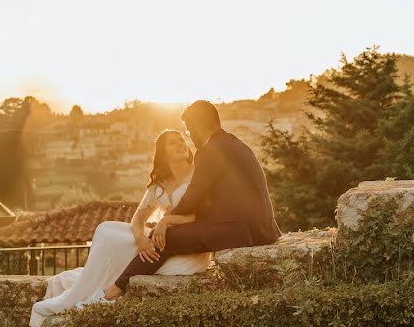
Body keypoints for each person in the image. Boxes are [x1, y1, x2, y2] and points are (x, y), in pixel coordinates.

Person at [29, 129, 212, 327]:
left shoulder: (198, 174)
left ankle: (106, 293)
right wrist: (141, 238)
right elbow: (138, 218)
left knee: (125, 251)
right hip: (157, 240)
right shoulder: (159, 184)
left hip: (185, 246)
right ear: (163, 152)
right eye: (173, 143)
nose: (180, 144)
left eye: (181, 140)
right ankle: (91, 287)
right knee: (106, 231)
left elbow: (204, 217)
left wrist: (167, 220)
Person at [103, 100, 281, 299]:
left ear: (199, 126)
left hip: (238, 231)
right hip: (262, 228)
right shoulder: (235, 144)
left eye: (188, 130)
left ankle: (119, 286)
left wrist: (168, 221)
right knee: (163, 232)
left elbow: (191, 199)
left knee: (165, 237)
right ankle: (122, 282)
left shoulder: (209, 152)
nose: (190, 136)